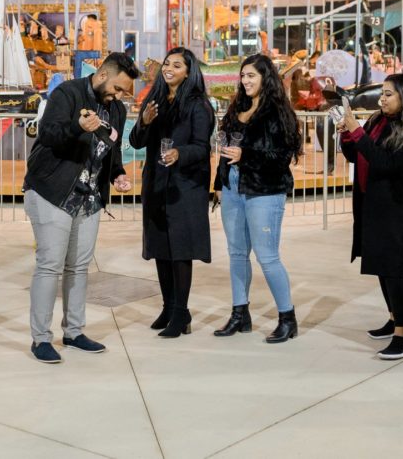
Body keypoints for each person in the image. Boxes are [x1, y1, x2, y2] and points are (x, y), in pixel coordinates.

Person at [24, 52, 139, 363]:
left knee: (78, 267)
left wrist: (117, 174)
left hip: (89, 199)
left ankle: (74, 332)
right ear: (102, 75)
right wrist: (77, 127)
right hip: (52, 192)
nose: (120, 96)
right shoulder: (68, 93)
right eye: (118, 88)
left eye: (125, 92)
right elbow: (47, 135)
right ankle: (41, 339)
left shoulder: (114, 109)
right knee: (50, 265)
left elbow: (110, 149)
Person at [337, 74, 403, 360]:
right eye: (383, 93)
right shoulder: (378, 120)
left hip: (397, 207)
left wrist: (359, 133)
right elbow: (357, 156)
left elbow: (386, 163)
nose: (382, 98)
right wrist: (346, 133)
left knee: (394, 269)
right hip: (372, 203)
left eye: (389, 94)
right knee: (380, 264)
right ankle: (393, 319)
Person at [213, 54, 302, 343]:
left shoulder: (278, 112)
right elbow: (226, 150)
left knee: (267, 256)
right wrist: (218, 182)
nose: (245, 80)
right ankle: (240, 314)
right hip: (233, 187)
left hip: (264, 189)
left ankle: (287, 318)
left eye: (251, 75)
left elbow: (282, 157)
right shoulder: (237, 107)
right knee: (237, 253)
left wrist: (246, 155)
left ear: (265, 77)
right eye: (243, 75)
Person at [129, 47, 214, 338]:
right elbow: (136, 141)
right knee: (160, 248)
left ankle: (182, 313)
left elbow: (203, 148)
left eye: (177, 65)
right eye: (167, 63)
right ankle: (168, 306)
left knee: (180, 249)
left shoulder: (198, 105)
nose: (169, 69)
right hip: (156, 183)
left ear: (188, 72)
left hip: (185, 187)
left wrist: (180, 153)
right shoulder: (153, 100)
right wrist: (145, 122)